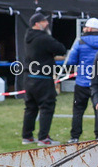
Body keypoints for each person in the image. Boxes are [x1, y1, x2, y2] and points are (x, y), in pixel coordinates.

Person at [21, 12, 68, 146]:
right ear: (37, 24)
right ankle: (43, 138)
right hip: (42, 78)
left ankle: (27, 136)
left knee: (30, 108)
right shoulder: (44, 38)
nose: (47, 23)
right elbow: (61, 49)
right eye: (44, 21)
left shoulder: (28, 36)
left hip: (29, 77)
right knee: (47, 106)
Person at [63, 17, 98, 143]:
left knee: (78, 110)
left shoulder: (80, 42)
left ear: (90, 28)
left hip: (82, 82)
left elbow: (71, 61)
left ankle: (75, 136)